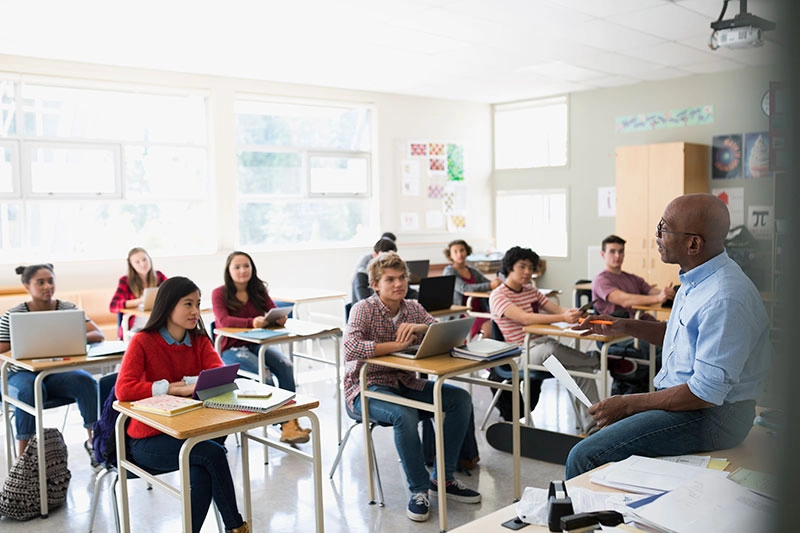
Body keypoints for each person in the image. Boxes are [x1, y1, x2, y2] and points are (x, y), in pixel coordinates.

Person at [565, 193, 770, 479]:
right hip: (691, 405)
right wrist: (623, 325)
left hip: (714, 417)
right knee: (606, 443)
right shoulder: (695, 278)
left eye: (663, 228)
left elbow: (705, 393)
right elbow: (679, 337)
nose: (657, 235)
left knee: (585, 455)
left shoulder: (725, 297)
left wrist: (627, 403)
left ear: (693, 243)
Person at [343, 251, 481, 522]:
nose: (398, 284)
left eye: (402, 278)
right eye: (390, 279)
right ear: (375, 285)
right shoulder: (363, 308)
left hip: (405, 381)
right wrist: (394, 347)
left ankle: (443, 479)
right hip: (366, 388)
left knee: (460, 400)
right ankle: (419, 490)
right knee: (404, 414)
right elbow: (351, 347)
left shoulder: (413, 307)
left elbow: (447, 335)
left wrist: (419, 329)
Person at [115, 276, 249, 533]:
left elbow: (219, 376)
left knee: (202, 471)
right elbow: (124, 389)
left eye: (197, 304)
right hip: (148, 440)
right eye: (188, 304)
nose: (195, 312)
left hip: (191, 433)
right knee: (212, 454)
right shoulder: (143, 341)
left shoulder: (199, 340)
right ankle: (237, 527)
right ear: (168, 305)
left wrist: (186, 383)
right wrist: (171, 387)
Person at [0, 263, 102, 463]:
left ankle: (95, 445)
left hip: (55, 373)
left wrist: (70, 336)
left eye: (50, 281)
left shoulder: (67, 309)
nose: (47, 286)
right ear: (27, 286)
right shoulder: (14, 315)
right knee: (29, 390)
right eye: (41, 282)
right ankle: (25, 460)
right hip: (20, 374)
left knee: (86, 382)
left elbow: (96, 334)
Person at [490, 246, 599, 432]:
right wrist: (562, 318)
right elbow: (525, 318)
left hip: (543, 346)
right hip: (520, 353)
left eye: (531, 268)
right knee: (551, 351)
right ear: (509, 267)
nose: (527, 272)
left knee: (583, 371)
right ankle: (594, 359)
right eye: (522, 267)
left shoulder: (530, 290)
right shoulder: (498, 295)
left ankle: (595, 427)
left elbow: (557, 310)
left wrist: (573, 313)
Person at [211, 251, 310, 444]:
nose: (242, 271)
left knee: (286, 365)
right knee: (264, 374)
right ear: (228, 271)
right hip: (231, 349)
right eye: (237, 267)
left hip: (258, 344)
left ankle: (289, 423)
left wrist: (279, 319)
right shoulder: (219, 293)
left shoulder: (258, 290)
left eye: (246, 266)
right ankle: (280, 422)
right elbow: (222, 321)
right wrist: (251, 322)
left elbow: (272, 310)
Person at [592, 234, 675, 319]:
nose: (617, 256)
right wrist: (658, 298)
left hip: (638, 320)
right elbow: (625, 300)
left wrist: (670, 293)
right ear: (602, 254)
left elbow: (651, 291)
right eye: (612, 252)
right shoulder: (600, 280)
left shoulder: (632, 278)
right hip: (617, 326)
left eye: (621, 251)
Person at [442, 239, 501, 340]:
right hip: (463, 315)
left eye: (462, 250)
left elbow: (487, 282)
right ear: (450, 255)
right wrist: (490, 285)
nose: (459, 254)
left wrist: (497, 283)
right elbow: (464, 288)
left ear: (467, 251)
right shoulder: (449, 271)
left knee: (500, 321)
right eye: (455, 252)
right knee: (488, 328)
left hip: (480, 311)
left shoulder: (472, 270)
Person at [109, 247, 168, 339]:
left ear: (149, 259)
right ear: (131, 265)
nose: (142, 264)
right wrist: (141, 300)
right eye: (137, 262)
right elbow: (113, 306)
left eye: (144, 259)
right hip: (136, 328)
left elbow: (173, 293)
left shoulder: (159, 276)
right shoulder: (125, 281)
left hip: (158, 325)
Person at [351, 236, 418, 303]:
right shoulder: (361, 275)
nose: (387, 259)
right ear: (374, 255)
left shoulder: (395, 273)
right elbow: (365, 301)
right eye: (390, 280)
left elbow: (410, 292)